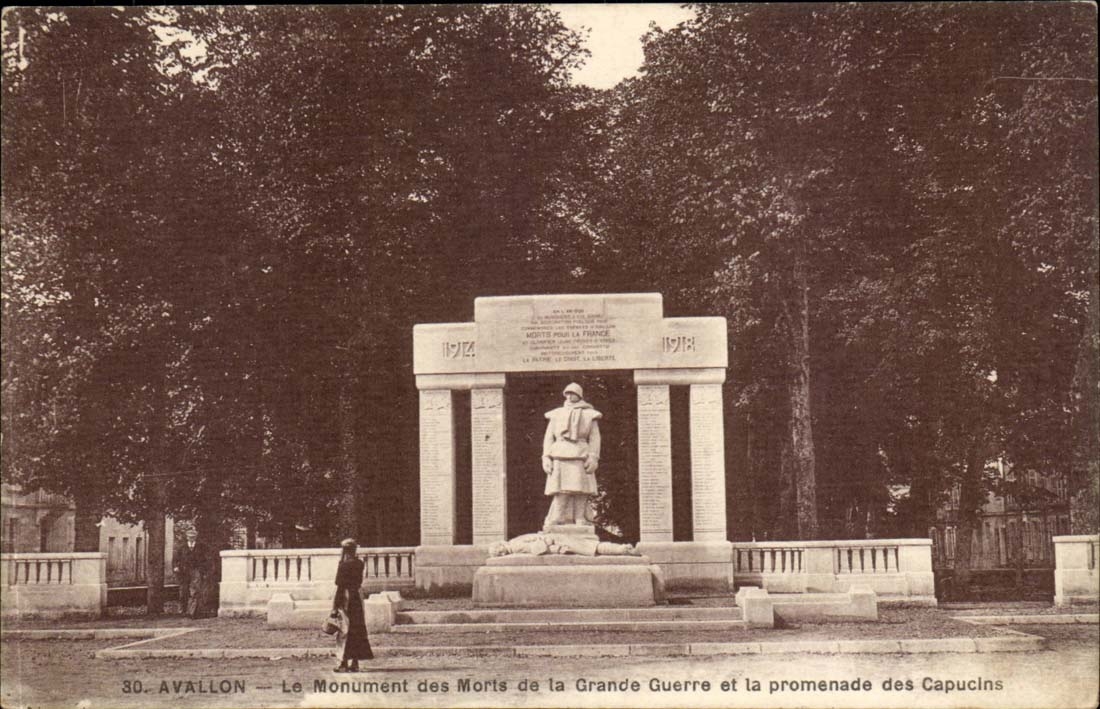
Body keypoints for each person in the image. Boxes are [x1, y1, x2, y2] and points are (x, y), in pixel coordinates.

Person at [542, 382, 602, 529]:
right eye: (567, 393)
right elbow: (549, 437)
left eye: (573, 393)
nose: (569, 396)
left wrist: (593, 456)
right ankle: (558, 516)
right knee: (561, 489)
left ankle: (580, 517)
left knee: (581, 488)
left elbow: (595, 438)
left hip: (580, 454)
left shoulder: (589, 414)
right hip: (560, 453)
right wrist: (546, 457)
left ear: (579, 395)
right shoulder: (556, 414)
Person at [331, 538, 373, 673]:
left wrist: (334, 607)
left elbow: (339, 585)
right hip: (357, 597)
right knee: (357, 628)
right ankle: (355, 662)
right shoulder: (360, 563)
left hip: (346, 598)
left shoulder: (343, 565)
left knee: (344, 631)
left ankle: (342, 662)